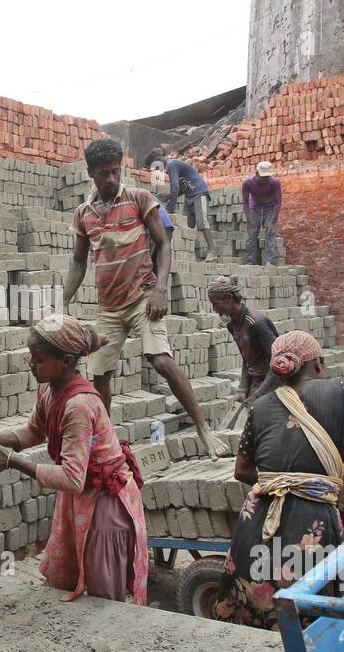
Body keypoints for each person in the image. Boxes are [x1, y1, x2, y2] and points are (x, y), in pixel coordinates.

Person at [215, 331, 344, 628]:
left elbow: (241, 471)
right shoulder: (340, 391)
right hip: (311, 522)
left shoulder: (260, 406)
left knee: (253, 610)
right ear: (317, 363)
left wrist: (283, 480)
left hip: (255, 522)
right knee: (313, 616)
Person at [63, 139, 228, 458]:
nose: (110, 179)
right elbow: (79, 262)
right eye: (103, 174)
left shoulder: (140, 198)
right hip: (109, 308)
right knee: (99, 375)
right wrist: (64, 299)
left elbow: (164, 245)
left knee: (161, 360)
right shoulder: (84, 214)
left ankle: (203, 429)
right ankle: (105, 441)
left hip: (142, 298)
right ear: (90, 174)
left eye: (115, 171)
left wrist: (160, 290)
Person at [0, 314, 149, 603]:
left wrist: (11, 461)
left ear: (65, 362)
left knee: (104, 599)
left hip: (104, 505)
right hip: (80, 498)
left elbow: (72, 478)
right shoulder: (49, 391)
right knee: (65, 582)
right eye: (31, 356)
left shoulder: (78, 406)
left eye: (38, 359)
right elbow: (33, 432)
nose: (31, 364)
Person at [207, 275, 280, 405]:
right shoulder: (232, 325)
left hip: (273, 385)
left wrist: (259, 394)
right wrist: (242, 389)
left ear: (229, 298)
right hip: (255, 382)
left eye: (215, 303)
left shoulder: (256, 323)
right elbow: (248, 360)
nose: (214, 309)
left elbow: (279, 362)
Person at [148, 151, 219, 262]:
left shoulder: (171, 164)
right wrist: (168, 196)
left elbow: (175, 187)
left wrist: (170, 209)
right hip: (189, 195)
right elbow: (180, 188)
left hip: (199, 192)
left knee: (202, 222)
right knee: (187, 227)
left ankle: (212, 252)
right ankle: (190, 256)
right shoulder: (171, 167)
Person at [242, 160, 281, 266]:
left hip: (270, 208)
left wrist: (273, 220)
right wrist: (249, 219)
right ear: (257, 173)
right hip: (255, 208)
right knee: (252, 234)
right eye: (263, 177)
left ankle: (269, 261)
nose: (265, 179)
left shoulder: (274, 183)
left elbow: (278, 202)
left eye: (267, 177)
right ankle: (251, 261)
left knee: (270, 232)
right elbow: (245, 202)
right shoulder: (248, 183)